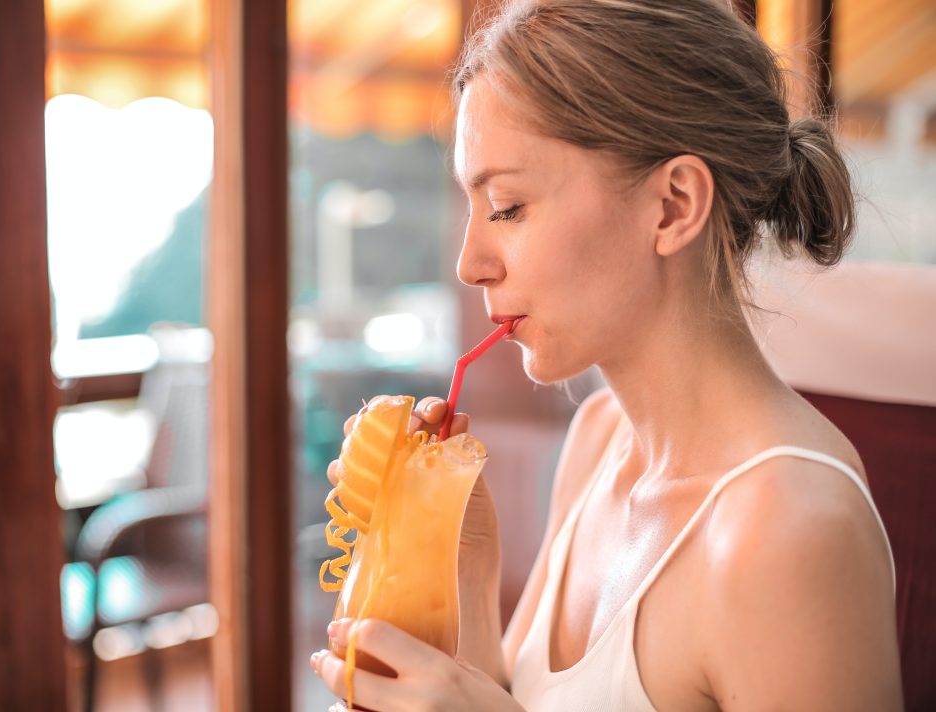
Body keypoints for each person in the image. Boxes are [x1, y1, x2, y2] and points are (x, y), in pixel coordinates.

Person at [309, 0, 903, 709]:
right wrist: (461, 560)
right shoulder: (598, 441)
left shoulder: (789, 533)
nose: (471, 263)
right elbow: (505, 696)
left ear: (674, 205)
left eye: (506, 207)